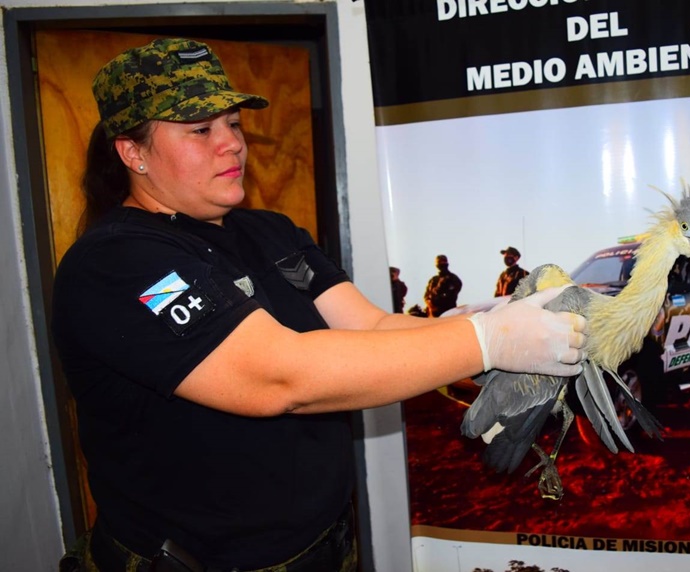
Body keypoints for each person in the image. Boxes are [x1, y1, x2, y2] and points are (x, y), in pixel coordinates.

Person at [51, 38, 588, 572]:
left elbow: (372, 326)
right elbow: (279, 378)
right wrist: (484, 343)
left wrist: (470, 322)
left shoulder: (268, 232)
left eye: (233, 125)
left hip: (324, 546)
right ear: (133, 152)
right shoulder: (118, 262)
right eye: (200, 130)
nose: (232, 144)